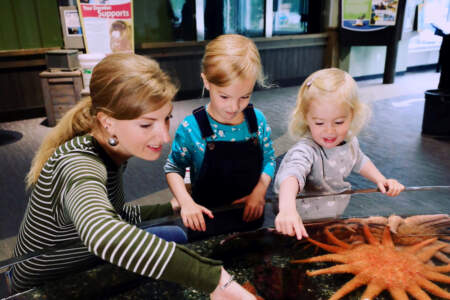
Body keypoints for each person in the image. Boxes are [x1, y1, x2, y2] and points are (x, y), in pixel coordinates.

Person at [9, 53, 256, 299]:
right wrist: (213, 279)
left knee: (176, 236)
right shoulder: (77, 163)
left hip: (83, 255)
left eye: (167, 118)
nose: (164, 137)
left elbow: (116, 214)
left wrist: (170, 206)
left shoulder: (113, 151)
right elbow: (103, 234)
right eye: (147, 125)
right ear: (107, 122)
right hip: (46, 284)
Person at [164, 34, 276, 240]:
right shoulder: (191, 127)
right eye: (224, 96)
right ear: (206, 81)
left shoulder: (257, 120)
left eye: (245, 97)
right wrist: (185, 201)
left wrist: (260, 190)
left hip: (250, 218)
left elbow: (269, 159)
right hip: (205, 223)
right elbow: (174, 169)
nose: (234, 107)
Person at [274, 68, 405, 240]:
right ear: (306, 118)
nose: (329, 131)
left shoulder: (350, 142)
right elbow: (291, 174)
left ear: (352, 115)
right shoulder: (306, 149)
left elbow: (359, 160)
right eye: (319, 123)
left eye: (338, 122)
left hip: (330, 217)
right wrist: (287, 209)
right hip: (298, 223)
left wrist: (381, 179)